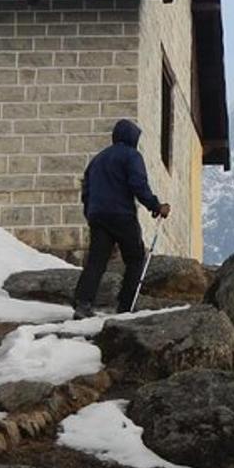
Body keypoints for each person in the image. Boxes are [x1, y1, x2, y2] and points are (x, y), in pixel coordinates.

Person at [73, 119, 170, 319]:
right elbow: (138, 184)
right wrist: (155, 206)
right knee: (135, 258)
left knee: (96, 261)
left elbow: (86, 190)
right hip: (121, 214)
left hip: (97, 215)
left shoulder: (97, 159)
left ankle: (83, 304)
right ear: (132, 137)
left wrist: (90, 213)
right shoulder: (131, 156)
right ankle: (125, 306)